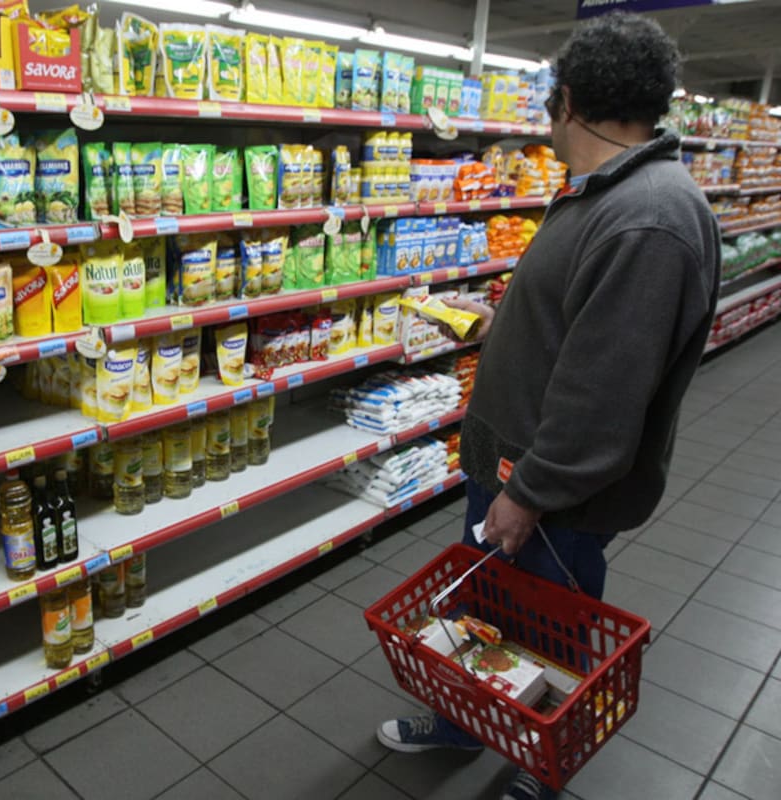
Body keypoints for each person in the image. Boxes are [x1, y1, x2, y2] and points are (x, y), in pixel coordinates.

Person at [376, 12, 720, 800]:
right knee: (487, 608)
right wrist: (503, 324)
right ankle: (469, 724)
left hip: (551, 493)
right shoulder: (606, 191)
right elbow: (581, 329)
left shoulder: (650, 218)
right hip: (513, 468)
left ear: (565, 101)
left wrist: (527, 494)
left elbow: (604, 395)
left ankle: (541, 764)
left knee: (553, 631)